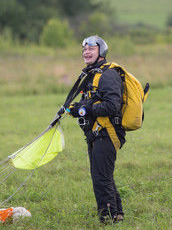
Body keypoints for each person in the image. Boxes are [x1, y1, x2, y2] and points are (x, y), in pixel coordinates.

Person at [67, 36, 125, 223]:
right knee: (103, 176)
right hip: (96, 134)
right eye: (84, 49)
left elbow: (111, 106)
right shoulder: (93, 74)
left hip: (107, 133)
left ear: (101, 51)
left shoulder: (108, 74)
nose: (86, 51)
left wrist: (83, 110)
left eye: (91, 48)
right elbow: (91, 101)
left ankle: (107, 220)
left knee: (101, 178)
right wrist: (77, 108)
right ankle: (117, 215)